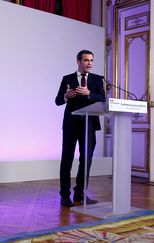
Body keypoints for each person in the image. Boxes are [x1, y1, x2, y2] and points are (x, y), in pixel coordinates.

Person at [55, 50, 105, 207]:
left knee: (86, 160)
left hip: (89, 124)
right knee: (67, 159)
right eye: (86, 60)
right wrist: (66, 97)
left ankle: (80, 194)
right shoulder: (67, 79)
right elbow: (57, 101)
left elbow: (103, 98)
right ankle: (64, 195)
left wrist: (89, 93)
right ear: (78, 61)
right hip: (71, 124)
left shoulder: (97, 79)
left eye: (91, 60)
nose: (89, 63)